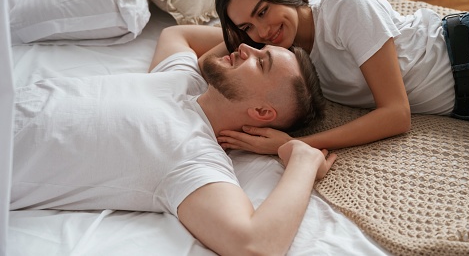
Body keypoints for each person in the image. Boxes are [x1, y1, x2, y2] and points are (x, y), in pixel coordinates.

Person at [11, 25, 336, 256]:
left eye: (261, 62)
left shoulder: (193, 157)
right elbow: (176, 34)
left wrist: (303, 162)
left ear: (262, 111)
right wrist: (251, 29)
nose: (244, 47)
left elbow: (253, 245)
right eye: (257, 47)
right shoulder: (183, 78)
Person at [198, 0, 469, 154]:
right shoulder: (283, 60)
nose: (263, 32)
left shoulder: (344, 8)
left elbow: (396, 115)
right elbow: (206, 64)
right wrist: (239, 35)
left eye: (263, 11)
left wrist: (295, 146)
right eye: (248, 26)